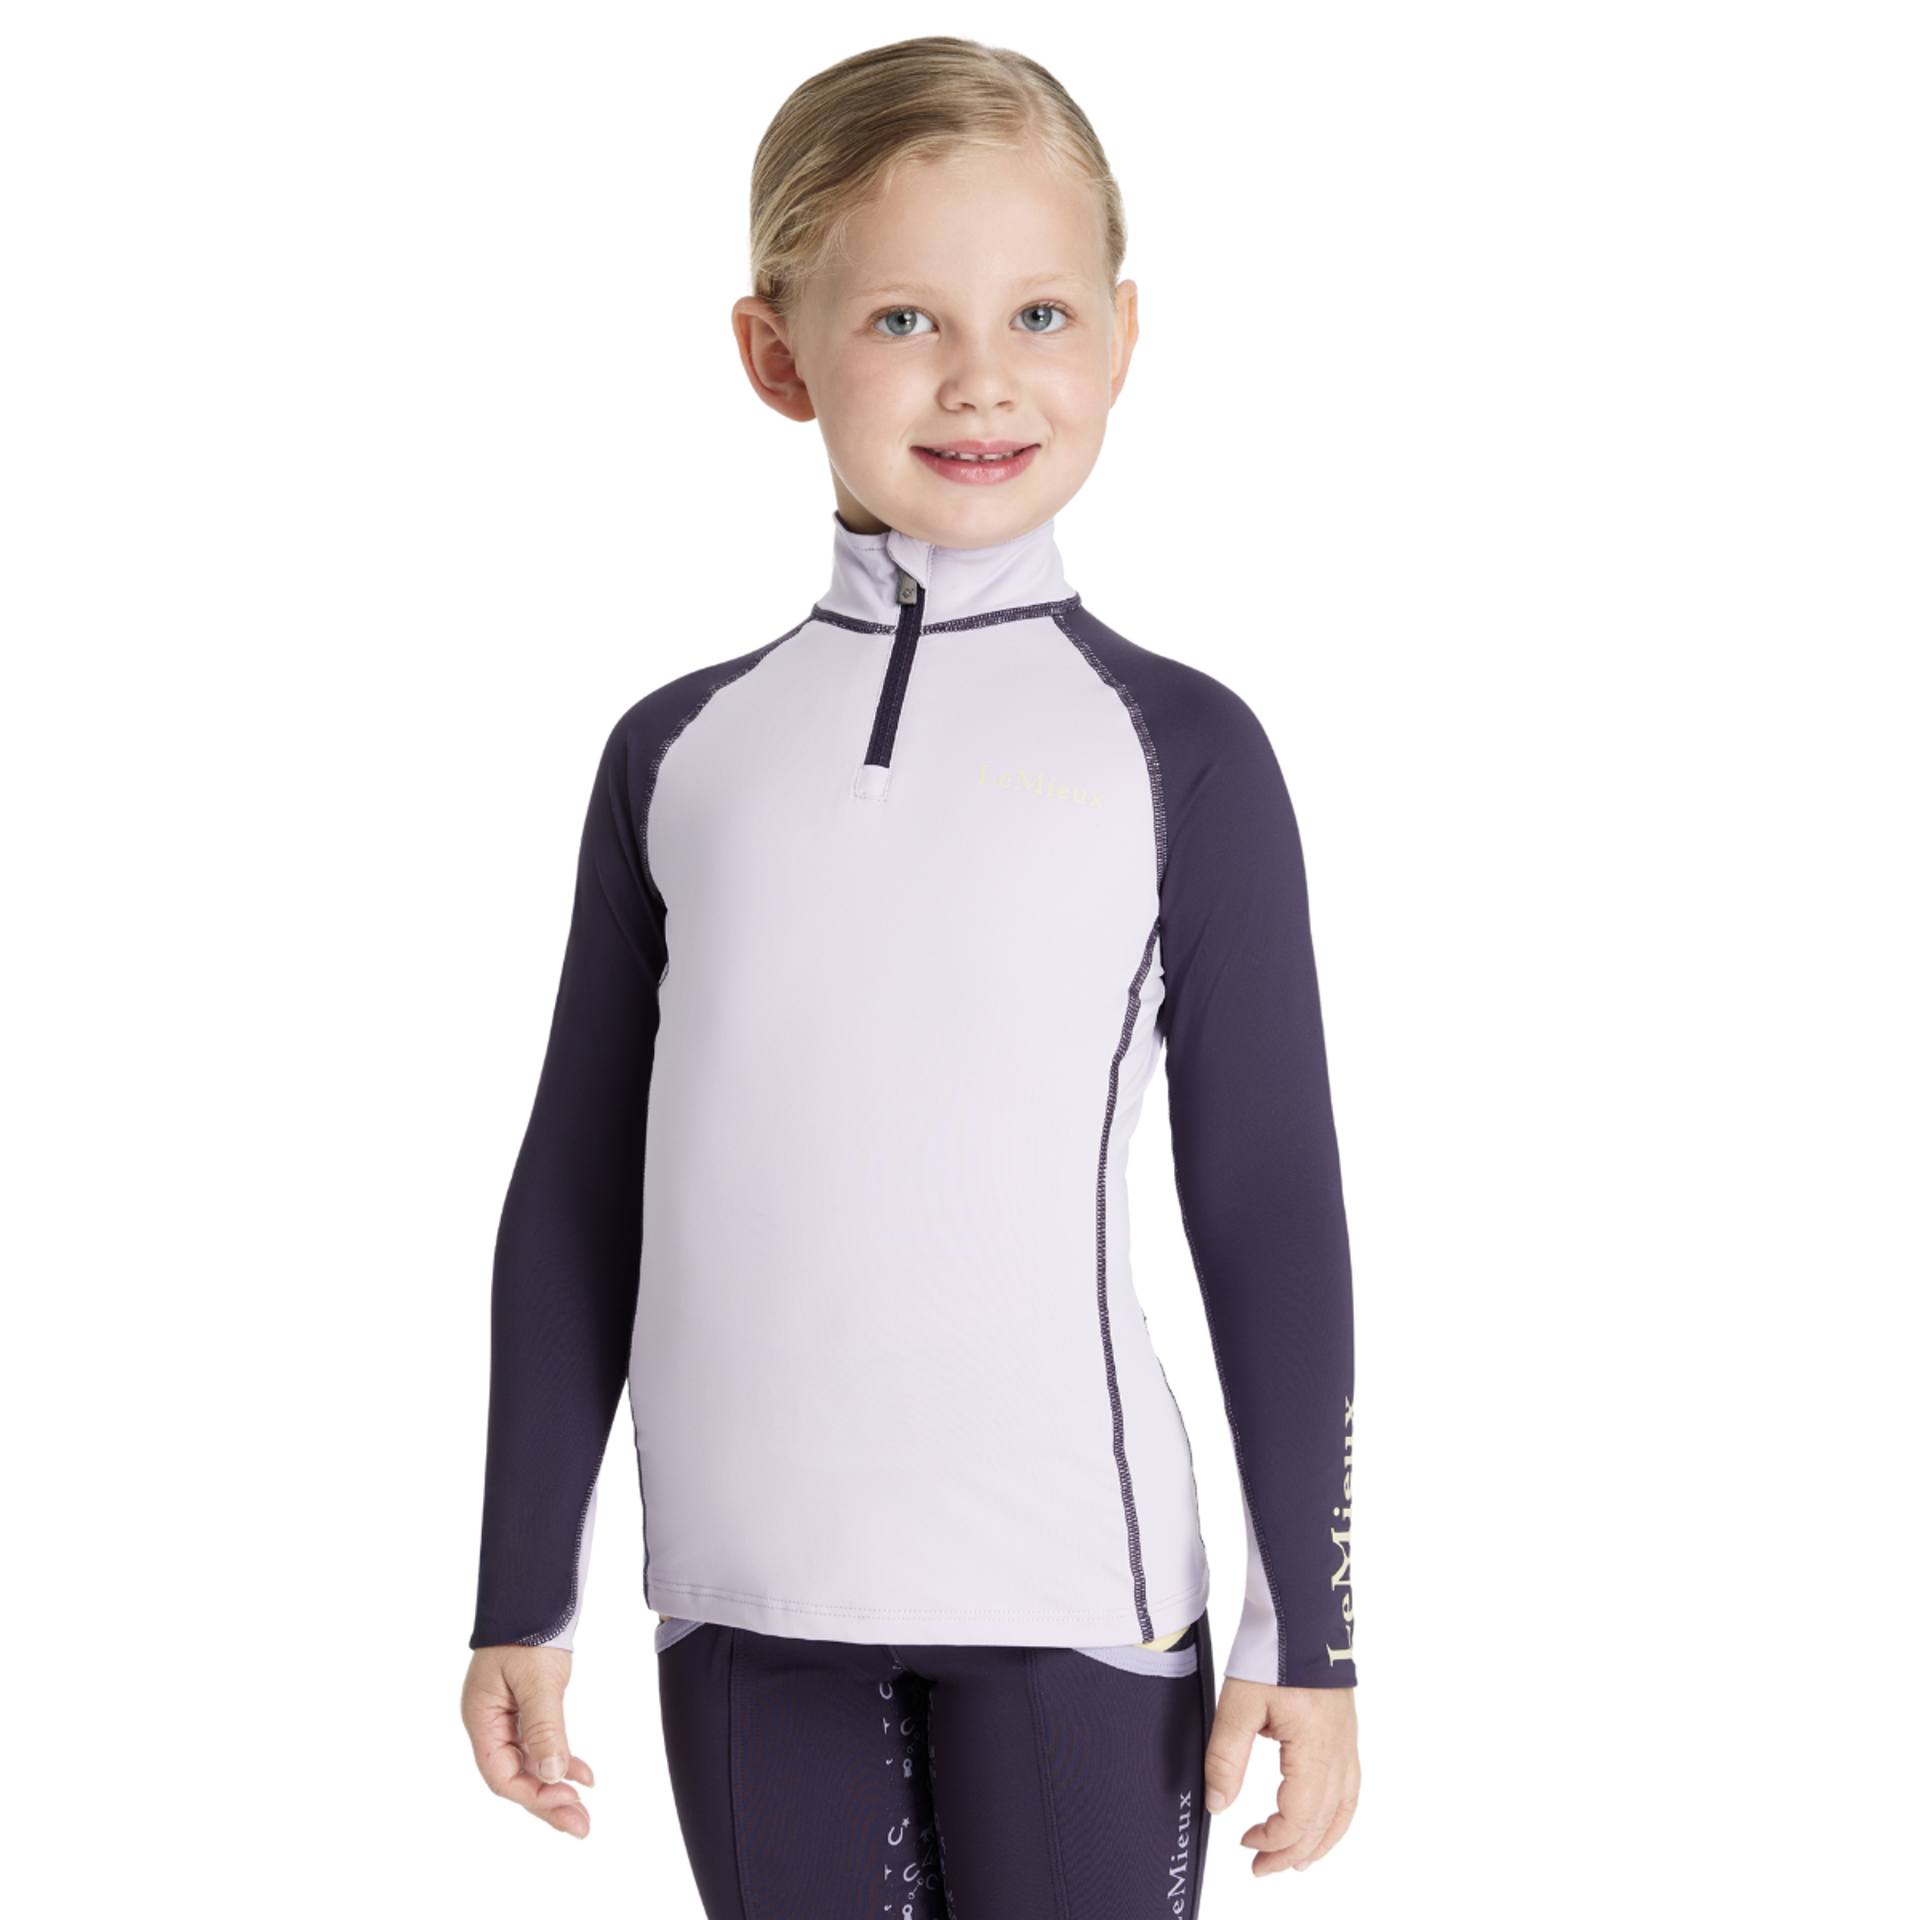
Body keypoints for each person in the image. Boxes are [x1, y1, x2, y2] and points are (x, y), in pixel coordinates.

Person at [459, 35, 1360, 1914]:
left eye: (1039, 312)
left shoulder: (1179, 749)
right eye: (900, 318)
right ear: (774, 353)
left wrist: (1317, 1632)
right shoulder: (676, 752)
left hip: (1074, 1594)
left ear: (1123, 335)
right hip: (743, 1600)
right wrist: (518, 1587)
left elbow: (1268, 1197)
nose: (980, 377)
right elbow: (579, 1187)